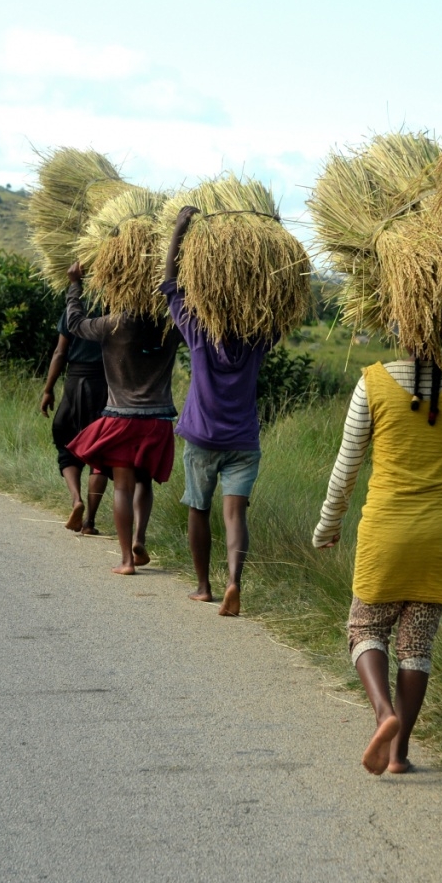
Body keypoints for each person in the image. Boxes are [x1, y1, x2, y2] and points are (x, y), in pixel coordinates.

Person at [313, 354, 442, 775]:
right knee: (417, 645)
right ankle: (399, 752)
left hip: (387, 528)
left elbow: (346, 467)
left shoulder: (373, 382)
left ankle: (384, 711)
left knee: (365, 627)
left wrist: (327, 525)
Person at [160, 205, 276, 617]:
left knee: (199, 508)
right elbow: (278, 307)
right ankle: (234, 582)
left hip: (202, 439)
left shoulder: (198, 333)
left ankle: (204, 587)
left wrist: (179, 230)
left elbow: (170, 284)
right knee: (234, 514)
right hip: (243, 441)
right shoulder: (258, 338)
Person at [64, 261, 183, 576]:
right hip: (158, 422)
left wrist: (75, 285)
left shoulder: (112, 325)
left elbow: (74, 323)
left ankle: (126, 561)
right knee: (145, 484)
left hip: (121, 419)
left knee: (122, 489)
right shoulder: (171, 327)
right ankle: (139, 540)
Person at [40, 303, 109, 534]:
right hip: (105, 387)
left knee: (66, 447)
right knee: (100, 456)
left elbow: (60, 352)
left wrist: (48, 389)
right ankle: (89, 522)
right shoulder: (118, 306)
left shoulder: (74, 307)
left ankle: (76, 500)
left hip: (73, 385)